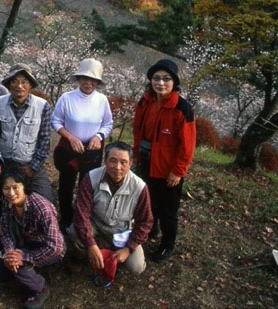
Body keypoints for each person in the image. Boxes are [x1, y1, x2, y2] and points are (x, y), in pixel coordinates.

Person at [133, 58, 196, 262]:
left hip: (167, 166)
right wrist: (135, 153)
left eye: (166, 79)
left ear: (174, 82)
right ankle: (151, 229)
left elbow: (187, 145)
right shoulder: (146, 100)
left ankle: (167, 244)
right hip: (145, 159)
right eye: (156, 78)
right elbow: (137, 129)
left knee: (168, 208)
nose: (160, 83)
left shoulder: (182, 108)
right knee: (148, 201)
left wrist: (178, 171)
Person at [66, 142, 152, 280]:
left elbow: (145, 222)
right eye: (112, 161)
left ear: (130, 163)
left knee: (137, 267)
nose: (117, 167)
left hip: (121, 229)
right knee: (75, 233)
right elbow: (81, 214)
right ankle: (80, 256)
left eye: (123, 162)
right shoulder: (91, 178)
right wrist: (90, 245)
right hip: (95, 223)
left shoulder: (139, 187)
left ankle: (114, 256)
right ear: (105, 161)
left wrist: (128, 248)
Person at [51, 58, 113, 227]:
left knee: (87, 187)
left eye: (92, 80)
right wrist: (70, 137)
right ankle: (66, 218)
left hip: (92, 151)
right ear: (78, 79)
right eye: (85, 78)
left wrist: (98, 136)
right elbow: (56, 121)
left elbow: (108, 124)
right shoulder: (67, 98)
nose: (88, 83)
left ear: (97, 82)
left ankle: (83, 218)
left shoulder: (102, 100)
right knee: (66, 185)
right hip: (69, 148)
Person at [0, 167, 65, 309]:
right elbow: (6, 231)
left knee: (18, 268)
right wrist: (10, 253)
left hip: (47, 248)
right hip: (27, 242)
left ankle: (41, 288)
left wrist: (25, 257)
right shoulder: (7, 203)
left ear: (24, 186)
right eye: (6, 188)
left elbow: (56, 247)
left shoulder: (41, 207)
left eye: (15, 187)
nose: (11, 193)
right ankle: (27, 271)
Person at [0, 63, 54, 202]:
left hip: (30, 163)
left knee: (45, 200)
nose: (19, 86)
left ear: (30, 85)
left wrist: (32, 167)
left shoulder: (43, 106)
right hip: (5, 162)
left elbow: (44, 141)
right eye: (15, 82)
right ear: (9, 84)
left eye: (24, 82)